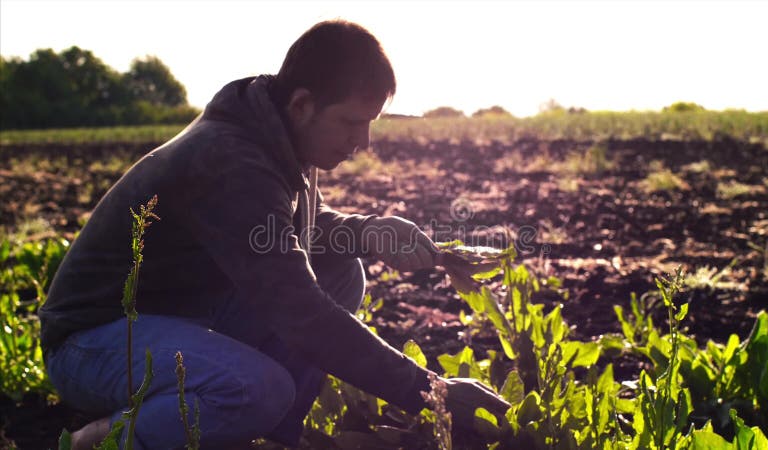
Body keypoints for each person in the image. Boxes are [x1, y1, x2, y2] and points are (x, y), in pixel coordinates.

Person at [39, 20, 509, 449]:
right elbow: (299, 312)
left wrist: (369, 232)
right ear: (303, 104)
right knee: (258, 388)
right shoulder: (232, 160)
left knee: (342, 272)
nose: (363, 142)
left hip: (173, 319)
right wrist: (433, 393)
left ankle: (269, 435)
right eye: (351, 122)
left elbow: (282, 232)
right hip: (92, 342)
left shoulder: (277, 135)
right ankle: (99, 440)